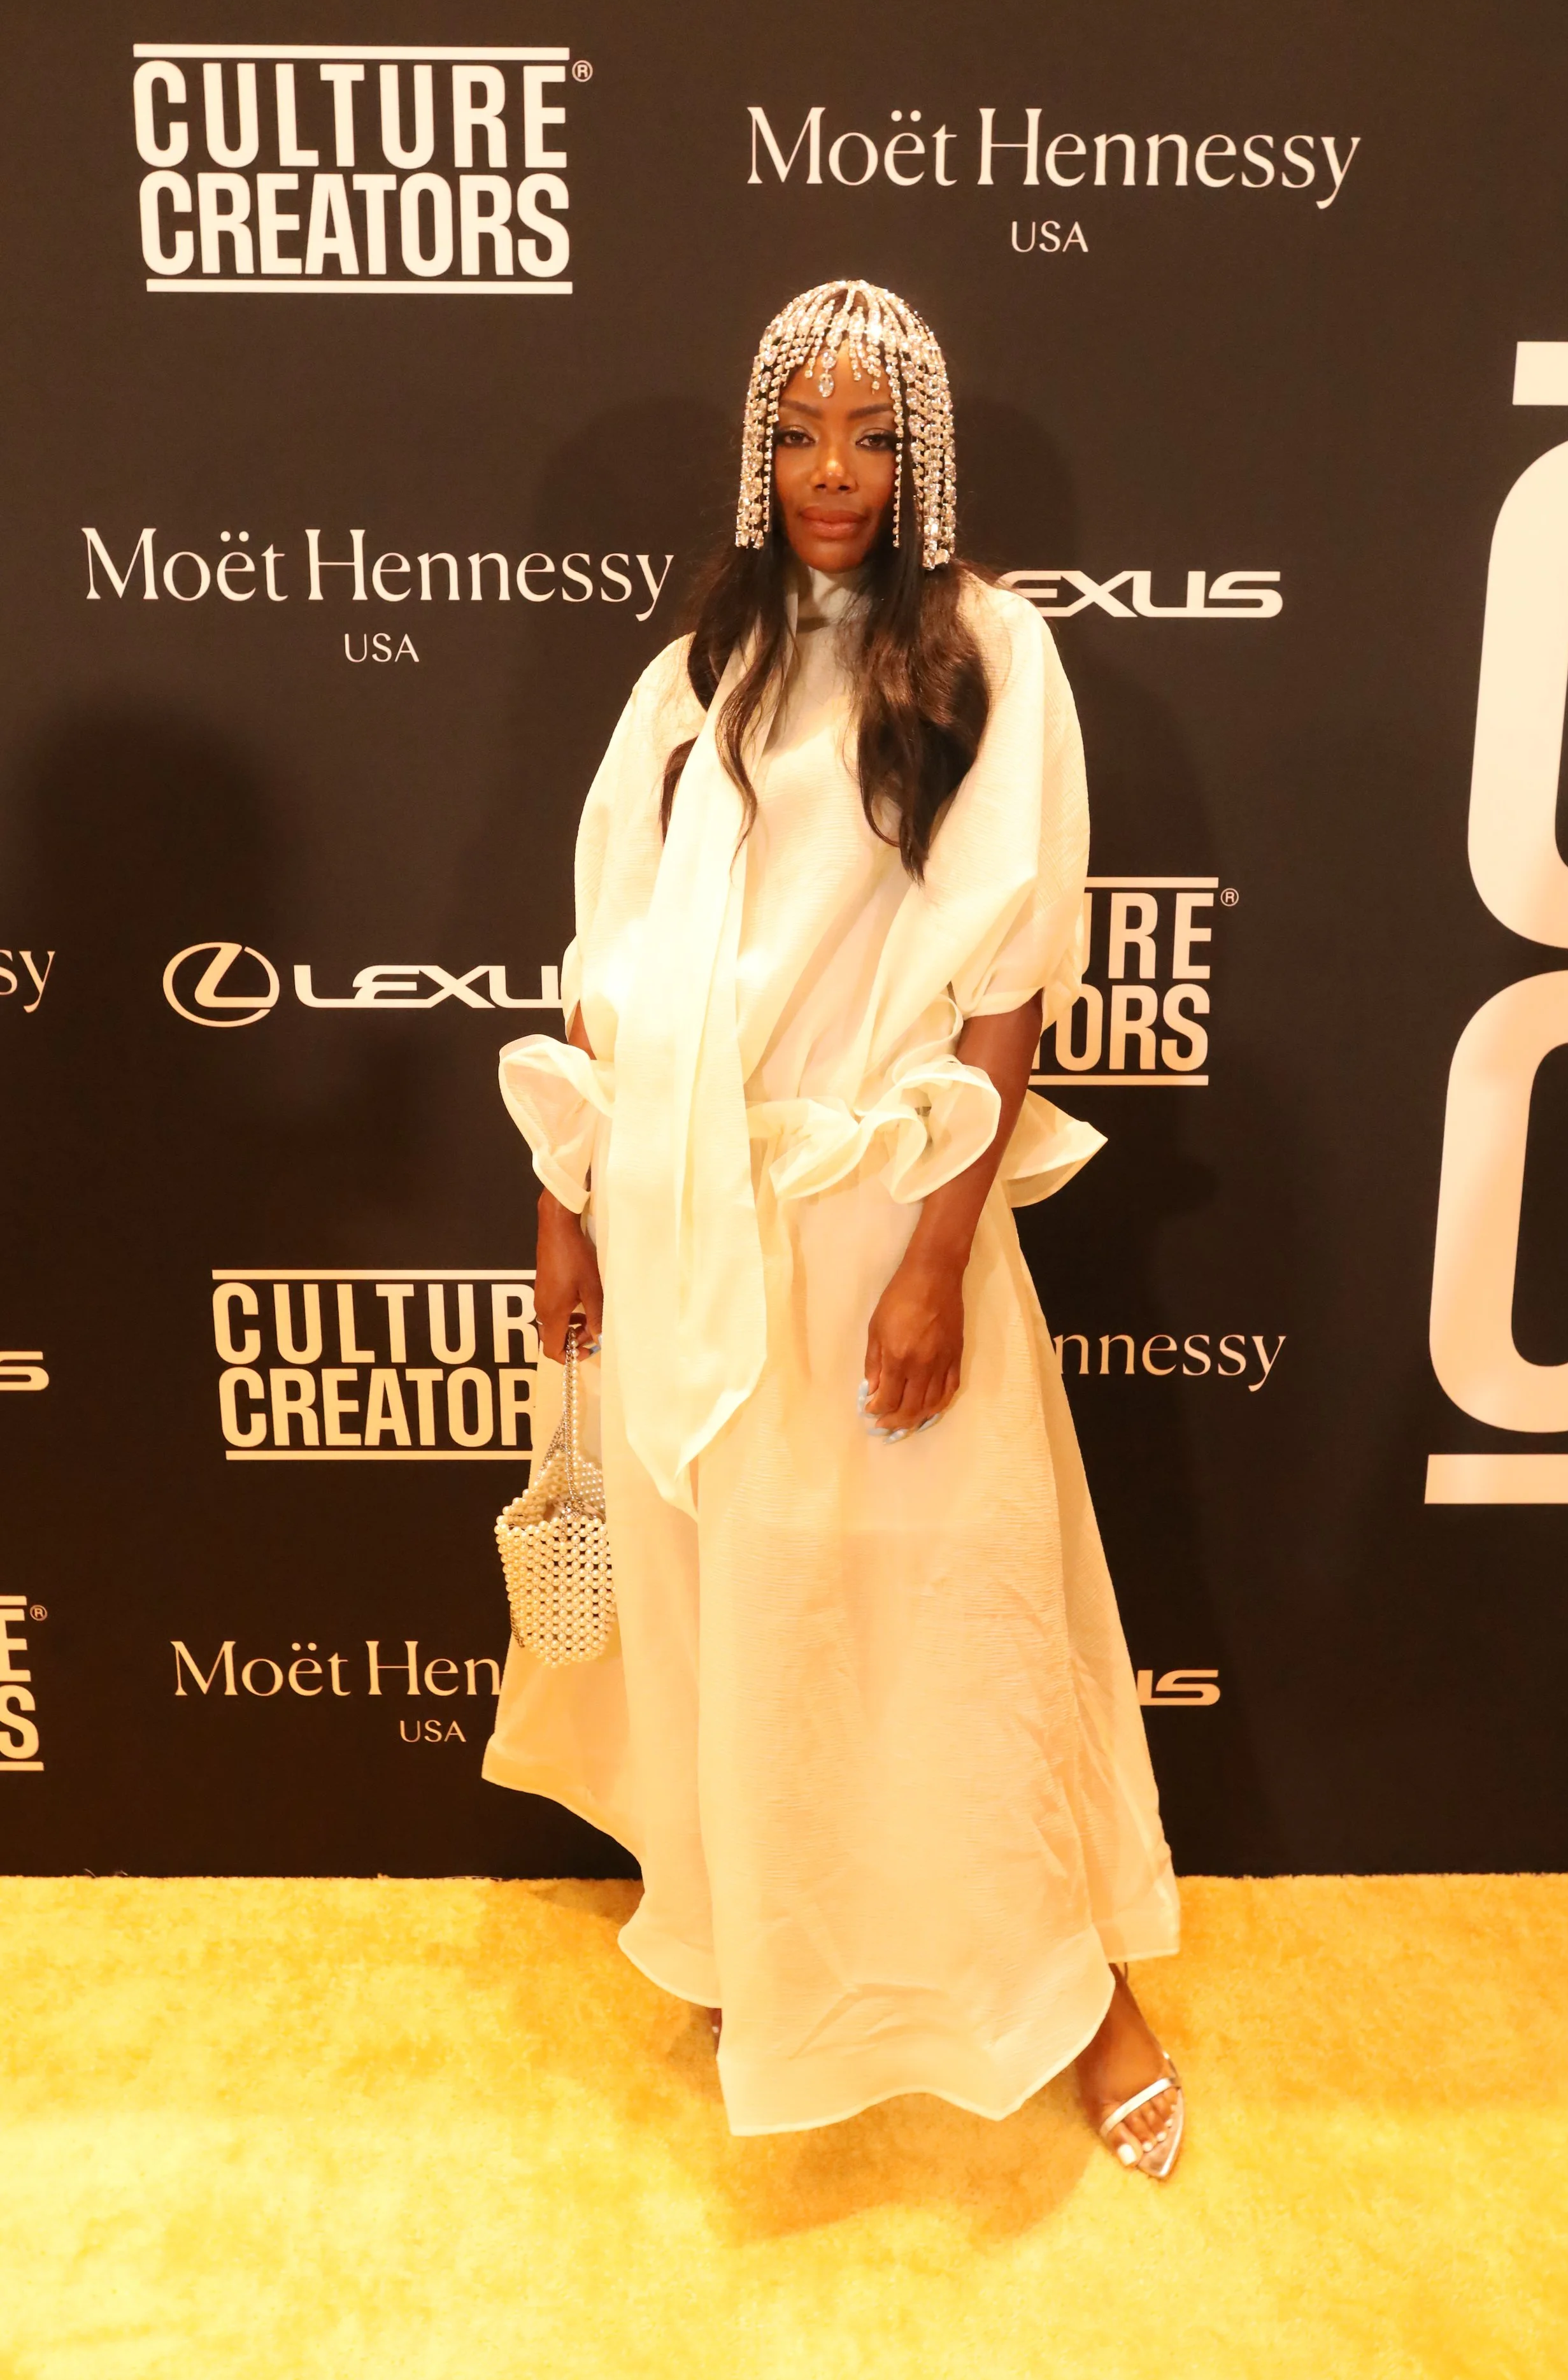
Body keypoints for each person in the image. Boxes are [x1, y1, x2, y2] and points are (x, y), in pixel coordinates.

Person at [485, 281, 1184, 2172]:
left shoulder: (984, 652)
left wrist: (942, 1252)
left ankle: (1073, 1984)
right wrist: (567, 1199)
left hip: (880, 1213)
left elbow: (1006, 972)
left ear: (923, 453)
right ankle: (760, 1935)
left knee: (956, 1607)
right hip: (685, 1212)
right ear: (756, 447)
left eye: (873, 435)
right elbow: (608, 947)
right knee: (747, 1611)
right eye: (800, 431)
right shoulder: (693, 668)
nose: (833, 473)